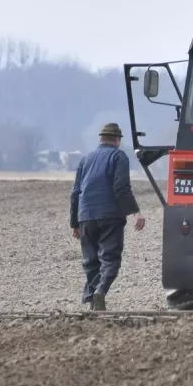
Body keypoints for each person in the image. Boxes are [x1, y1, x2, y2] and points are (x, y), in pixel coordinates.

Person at [70, 123, 146, 310]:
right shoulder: (118, 156)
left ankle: (92, 302)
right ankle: (99, 292)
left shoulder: (86, 159)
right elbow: (121, 188)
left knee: (90, 261)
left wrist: (74, 223)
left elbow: (75, 193)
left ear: (100, 139)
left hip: (85, 215)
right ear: (117, 140)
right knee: (110, 259)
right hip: (110, 215)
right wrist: (135, 211)